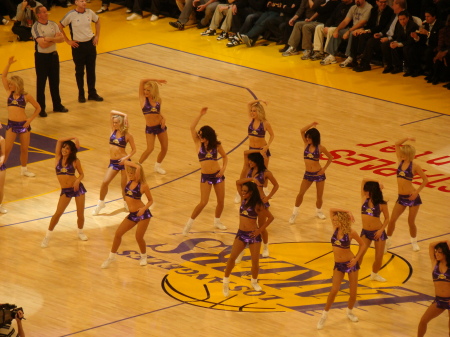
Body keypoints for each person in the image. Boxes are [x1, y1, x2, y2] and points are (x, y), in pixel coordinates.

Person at [223, 179, 274, 296]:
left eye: (245, 191)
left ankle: (254, 282)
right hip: (241, 233)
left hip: (253, 236)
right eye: (242, 191)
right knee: (232, 258)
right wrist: (251, 179)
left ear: (251, 192)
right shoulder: (242, 200)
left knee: (255, 262)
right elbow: (237, 182)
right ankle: (225, 283)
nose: (242, 193)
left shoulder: (258, 204)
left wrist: (259, 230)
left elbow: (271, 218)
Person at [317, 209, 366, 330]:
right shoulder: (335, 229)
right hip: (338, 265)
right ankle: (324, 315)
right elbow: (331, 210)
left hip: (350, 264)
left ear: (341, 220)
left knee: (353, 293)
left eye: (336, 220)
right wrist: (348, 211)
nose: (333, 221)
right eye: (333, 220)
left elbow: (363, 244)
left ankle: (349, 312)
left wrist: (356, 259)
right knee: (334, 290)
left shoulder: (351, 232)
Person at [183, 107, 228, 235]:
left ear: (208, 136)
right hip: (206, 176)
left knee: (221, 201)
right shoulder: (198, 143)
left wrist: (223, 169)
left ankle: (217, 221)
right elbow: (192, 128)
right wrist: (200, 115)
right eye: (200, 135)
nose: (200, 136)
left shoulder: (216, 145)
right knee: (203, 202)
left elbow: (225, 156)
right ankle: (189, 224)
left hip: (218, 174)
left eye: (202, 135)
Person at [101, 161, 153, 268]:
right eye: (128, 173)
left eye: (132, 173)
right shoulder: (129, 182)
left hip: (142, 214)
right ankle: (111, 257)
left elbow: (150, 201)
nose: (129, 175)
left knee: (138, 237)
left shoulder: (143, 185)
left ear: (137, 174)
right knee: (118, 234)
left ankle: (143, 256)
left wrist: (143, 209)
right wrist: (126, 162)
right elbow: (125, 165)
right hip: (132, 214)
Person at [41, 137, 87, 247]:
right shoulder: (57, 159)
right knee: (57, 214)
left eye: (67, 148)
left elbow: (81, 174)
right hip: (66, 191)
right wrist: (74, 138)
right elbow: (60, 140)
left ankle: (80, 232)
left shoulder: (75, 161)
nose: (64, 149)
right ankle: (47, 237)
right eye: (64, 147)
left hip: (77, 189)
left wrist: (77, 181)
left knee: (80, 214)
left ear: (71, 151)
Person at [386, 137, 428, 252]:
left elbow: (425, 180)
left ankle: (414, 242)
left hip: (412, 197)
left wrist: (416, 192)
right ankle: (388, 241)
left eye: (404, 154)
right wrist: (407, 138)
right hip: (401, 197)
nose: (401, 155)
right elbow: (396, 143)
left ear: (409, 155)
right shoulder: (400, 161)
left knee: (411, 221)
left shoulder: (415, 166)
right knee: (392, 220)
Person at [2, 56, 41, 178]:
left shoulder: (26, 96)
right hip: (11, 125)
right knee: (7, 149)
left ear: (17, 85)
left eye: (11, 84)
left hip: (23, 125)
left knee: (24, 149)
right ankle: (1, 168)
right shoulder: (9, 93)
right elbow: (3, 77)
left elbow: (38, 108)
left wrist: (30, 119)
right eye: (9, 84)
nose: (9, 85)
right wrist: (8, 64)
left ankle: (24, 170)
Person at [236, 150, 278, 260]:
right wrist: (259, 150)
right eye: (249, 161)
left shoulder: (266, 173)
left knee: (261, 226)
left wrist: (268, 197)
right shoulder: (249, 169)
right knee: (246, 225)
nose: (249, 162)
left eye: (251, 161)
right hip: (249, 200)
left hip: (260, 201)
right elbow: (245, 152)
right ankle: (242, 250)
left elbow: (276, 185)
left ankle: (265, 246)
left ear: (257, 161)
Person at [92, 110, 136, 215]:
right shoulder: (112, 130)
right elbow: (111, 112)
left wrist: (126, 158)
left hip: (124, 162)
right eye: (113, 122)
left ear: (121, 123)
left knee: (123, 185)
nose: (114, 124)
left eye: (116, 122)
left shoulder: (128, 135)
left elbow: (134, 150)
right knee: (105, 182)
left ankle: (126, 202)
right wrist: (125, 115)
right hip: (113, 162)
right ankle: (100, 203)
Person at [58, 0, 103, 103]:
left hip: (90, 44)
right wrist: (67, 40)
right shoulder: (71, 15)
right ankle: (81, 94)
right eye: (81, 1)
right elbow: (60, 25)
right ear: (76, 2)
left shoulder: (90, 12)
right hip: (78, 46)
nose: (84, 2)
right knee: (79, 71)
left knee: (91, 70)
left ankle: (92, 93)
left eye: (85, 0)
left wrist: (97, 36)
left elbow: (98, 21)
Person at [289, 122, 332, 224]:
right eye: (307, 137)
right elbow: (301, 130)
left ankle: (319, 211)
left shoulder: (321, 148)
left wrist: (324, 169)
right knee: (300, 194)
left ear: (314, 138)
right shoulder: (305, 144)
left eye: (309, 138)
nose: (307, 139)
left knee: (319, 196)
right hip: (308, 174)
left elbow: (330, 157)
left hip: (319, 174)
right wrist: (312, 124)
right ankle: (295, 212)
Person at [32, 5, 68, 118]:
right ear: (38, 14)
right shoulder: (36, 27)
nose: (46, 13)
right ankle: (41, 109)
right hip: (41, 58)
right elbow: (41, 44)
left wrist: (49, 38)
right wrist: (54, 39)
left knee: (55, 82)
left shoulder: (53, 24)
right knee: (41, 83)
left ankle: (57, 105)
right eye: (43, 12)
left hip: (53, 56)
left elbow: (62, 39)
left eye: (46, 11)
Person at [235, 99, 274, 199]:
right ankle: (239, 192)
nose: (252, 113)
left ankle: (264, 189)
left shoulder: (265, 123)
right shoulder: (250, 120)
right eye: (251, 111)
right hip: (252, 150)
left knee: (264, 171)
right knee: (245, 169)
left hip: (262, 150)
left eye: (254, 111)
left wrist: (267, 146)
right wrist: (260, 100)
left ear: (259, 112)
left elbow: (272, 135)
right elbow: (248, 103)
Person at [417, 240, 450, 337]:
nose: (436, 254)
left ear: (445, 253)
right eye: (436, 251)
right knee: (423, 321)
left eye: (439, 251)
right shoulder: (434, 263)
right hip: (439, 300)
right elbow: (431, 245)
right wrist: (445, 241)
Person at [359, 178, 389, 282]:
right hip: (365, 232)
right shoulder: (364, 198)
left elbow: (387, 218)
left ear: (373, 192)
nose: (365, 192)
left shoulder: (382, 204)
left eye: (367, 191)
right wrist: (378, 181)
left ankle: (374, 275)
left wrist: (381, 230)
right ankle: (353, 273)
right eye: (365, 190)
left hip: (378, 233)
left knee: (379, 257)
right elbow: (363, 180)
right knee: (360, 254)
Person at [138, 78, 168, 175]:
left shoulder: (158, 100)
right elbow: (142, 81)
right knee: (150, 148)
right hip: (150, 128)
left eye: (148, 90)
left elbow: (158, 112)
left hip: (160, 127)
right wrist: (156, 80)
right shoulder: (143, 99)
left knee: (164, 147)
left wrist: (163, 118)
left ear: (153, 91)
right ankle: (137, 166)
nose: (145, 92)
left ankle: (157, 166)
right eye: (145, 90)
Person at [0, 137, 7, 214]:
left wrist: (1, 160)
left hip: (0, 166)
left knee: (0, 188)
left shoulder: (1, 139)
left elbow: (3, 154)